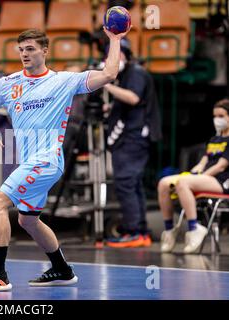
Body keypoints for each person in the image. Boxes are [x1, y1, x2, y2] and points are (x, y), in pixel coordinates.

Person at [0, 27, 129, 292]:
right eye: (21, 50)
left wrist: (115, 39)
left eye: (30, 49)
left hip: (47, 160)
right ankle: (62, 269)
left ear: (44, 51)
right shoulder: (8, 83)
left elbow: (110, 73)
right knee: (27, 220)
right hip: (29, 162)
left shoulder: (63, 81)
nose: (25, 54)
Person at [102, 38, 161, 248]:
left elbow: (133, 98)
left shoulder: (135, 73)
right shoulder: (127, 74)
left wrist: (106, 83)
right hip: (130, 136)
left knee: (126, 182)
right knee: (132, 184)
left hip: (133, 137)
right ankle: (140, 231)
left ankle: (134, 231)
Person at [158, 99, 229, 254]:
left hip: (222, 182)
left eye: (221, 116)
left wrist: (197, 178)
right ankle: (170, 230)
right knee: (164, 183)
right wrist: (195, 171)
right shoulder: (214, 139)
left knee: (183, 182)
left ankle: (194, 228)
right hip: (205, 178)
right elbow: (204, 161)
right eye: (215, 116)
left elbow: (221, 166)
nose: (217, 119)